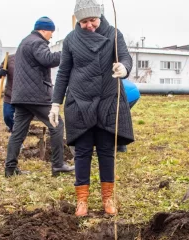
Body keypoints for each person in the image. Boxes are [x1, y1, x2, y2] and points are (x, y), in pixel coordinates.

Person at [49, 0, 133, 217]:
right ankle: (82, 201)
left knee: (106, 152)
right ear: (77, 20)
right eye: (84, 21)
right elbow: (64, 72)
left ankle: (108, 199)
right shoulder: (70, 40)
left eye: (92, 20)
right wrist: (55, 103)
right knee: (82, 153)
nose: (89, 25)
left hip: (107, 100)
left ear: (100, 16)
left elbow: (125, 57)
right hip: (80, 102)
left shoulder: (114, 34)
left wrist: (123, 68)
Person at [5, 16, 73, 177]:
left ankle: (10, 169)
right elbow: (47, 59)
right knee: (57, 125)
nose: (51, 36)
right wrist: (67, 53)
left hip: (21, 96)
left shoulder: (25, 42)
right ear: (44, 30)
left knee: (18, 132)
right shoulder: (37, 42)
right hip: (36, 95)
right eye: (51, 32)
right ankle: (57, 165)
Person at [0, 54, 15, 132]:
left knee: (22, 119)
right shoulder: (9, 58)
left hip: (23, 95)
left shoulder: (30, 57)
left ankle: (17, 134)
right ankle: (13, 129)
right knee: (7, 116)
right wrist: (0, 72)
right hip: (10, 95)